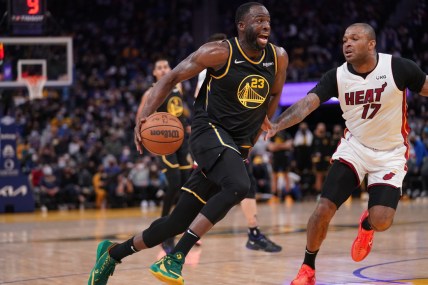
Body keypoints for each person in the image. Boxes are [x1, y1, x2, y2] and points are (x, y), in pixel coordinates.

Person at [87, 2, 288, 285]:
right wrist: (143, 117)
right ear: (242, 26)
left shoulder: (278, 57)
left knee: (176, 222)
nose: (266, 25)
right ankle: (175, 257)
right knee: (240, 185)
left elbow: (275, 93)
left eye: (268, 20)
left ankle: (111, 253)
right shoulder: (218, 52)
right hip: (209, 134)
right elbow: (171, 78)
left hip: (237, 144)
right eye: (258, 20)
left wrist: (264, 122)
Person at [263, 23, 428, 285]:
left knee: (382, 220)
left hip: (391, 153)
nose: (347, 44)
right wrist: (276, 125)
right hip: (355, 148)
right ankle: (307, 268)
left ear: (372, 44)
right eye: (344, 40)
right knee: (323, 208)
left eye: (354, 38)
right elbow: (307, 104)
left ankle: (368, 226)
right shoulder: (336, 76)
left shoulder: (398, 68)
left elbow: (426, 87)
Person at [195, 32, 282, 252]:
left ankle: (253, 231)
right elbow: (201, 104)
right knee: (202, 187)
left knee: (245, 183)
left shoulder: (237, 64)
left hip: (235, 136)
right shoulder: (207, 68)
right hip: (213, 137)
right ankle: (188, 229)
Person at [137, 58, 193, 253]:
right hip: (164, 143)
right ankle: (165, 233)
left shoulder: (179, 86)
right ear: (154, 73)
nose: (163, 70)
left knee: (187, 185)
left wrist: (186, 122)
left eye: (165, 66)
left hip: (182, 140)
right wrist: (145, 138)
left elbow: (180, 109)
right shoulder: (150, 92)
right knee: (174, 184)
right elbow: (140, 118)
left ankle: (180, 226)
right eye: (159, 67)